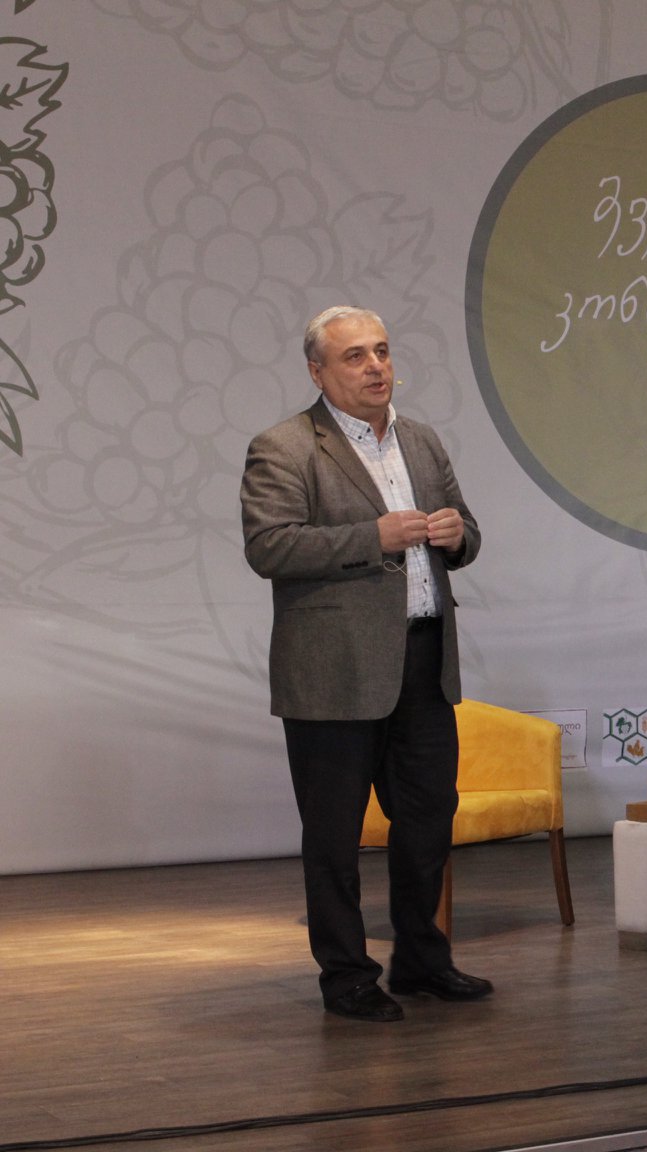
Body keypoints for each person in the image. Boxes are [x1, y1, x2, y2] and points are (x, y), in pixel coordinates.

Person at [240, 306, 490, 1022]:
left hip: (423, 661)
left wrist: (456, 536)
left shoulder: (421, 440)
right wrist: (370, 536)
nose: (376, 366)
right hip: (334, 670)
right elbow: (270, 547)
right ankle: (347, 976)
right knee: (334, 837)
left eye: (381, 351)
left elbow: (469, 534)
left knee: (428, 822)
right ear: (317, 372)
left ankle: (422, 960)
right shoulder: (285, 446)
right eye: (355, 356)